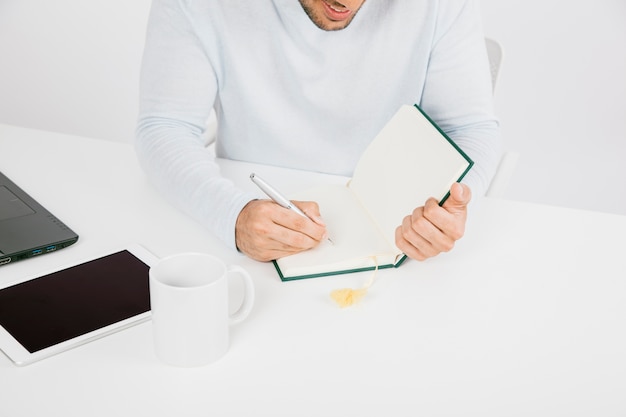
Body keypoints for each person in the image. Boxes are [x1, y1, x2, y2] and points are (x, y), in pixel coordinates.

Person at [136, 0, 502, 263]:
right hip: (248, 246)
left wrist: (449, 206)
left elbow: (469, 127)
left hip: (393, 246)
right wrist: (232, 215)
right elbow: (165, 126)